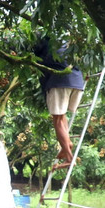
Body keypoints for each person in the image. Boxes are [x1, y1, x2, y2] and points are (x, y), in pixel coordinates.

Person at [33, 35, 86, 168]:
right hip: (78, 82)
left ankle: (69, 158)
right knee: (61, 116)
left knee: (57, 120)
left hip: (59, 80)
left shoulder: (45, 39)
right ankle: (66, 144)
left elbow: (33, 53)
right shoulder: (70, 41)